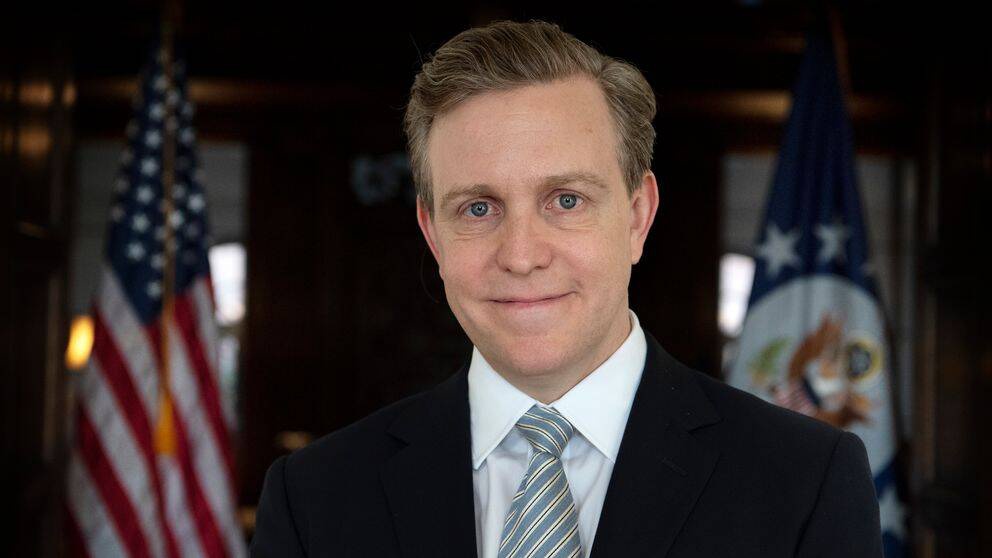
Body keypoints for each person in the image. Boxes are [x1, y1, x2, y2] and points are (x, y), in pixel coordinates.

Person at [250, 19, 882, 557]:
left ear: (637, 217)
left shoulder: (806, 481)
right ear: (433, 234)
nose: (521, 256)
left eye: (566, 200)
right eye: (478, 208)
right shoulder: (313, 498)